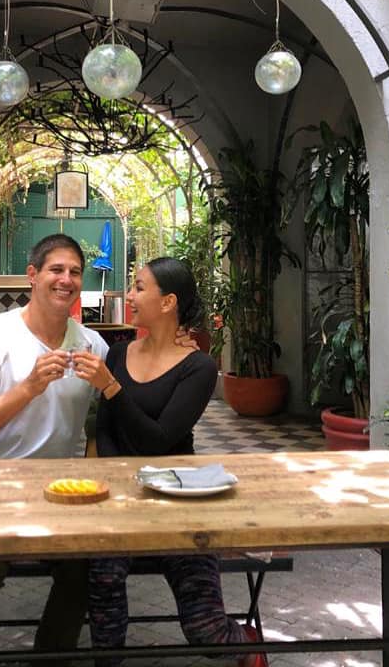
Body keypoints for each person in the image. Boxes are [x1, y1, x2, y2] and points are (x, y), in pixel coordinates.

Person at [86, 257, 268, 667]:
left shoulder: (198, 368)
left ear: (167, 302)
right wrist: (120, 489)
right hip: (121, 508)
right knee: (104, 584)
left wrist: (112, 388)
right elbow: (106, 431)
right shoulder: (117, 354)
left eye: (138, 287)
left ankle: (245, 642)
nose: (129, 296)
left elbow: (161, 439)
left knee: (205, 630)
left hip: (179, 504)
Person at [0, 233, 111, 663]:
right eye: (56, 270)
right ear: (33, 276)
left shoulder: (92, 345)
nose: (66, 280)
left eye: (75, 272)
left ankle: (50, 655)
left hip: (60, 491)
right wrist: (28, 388)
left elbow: (114, 414)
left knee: (87, 568)